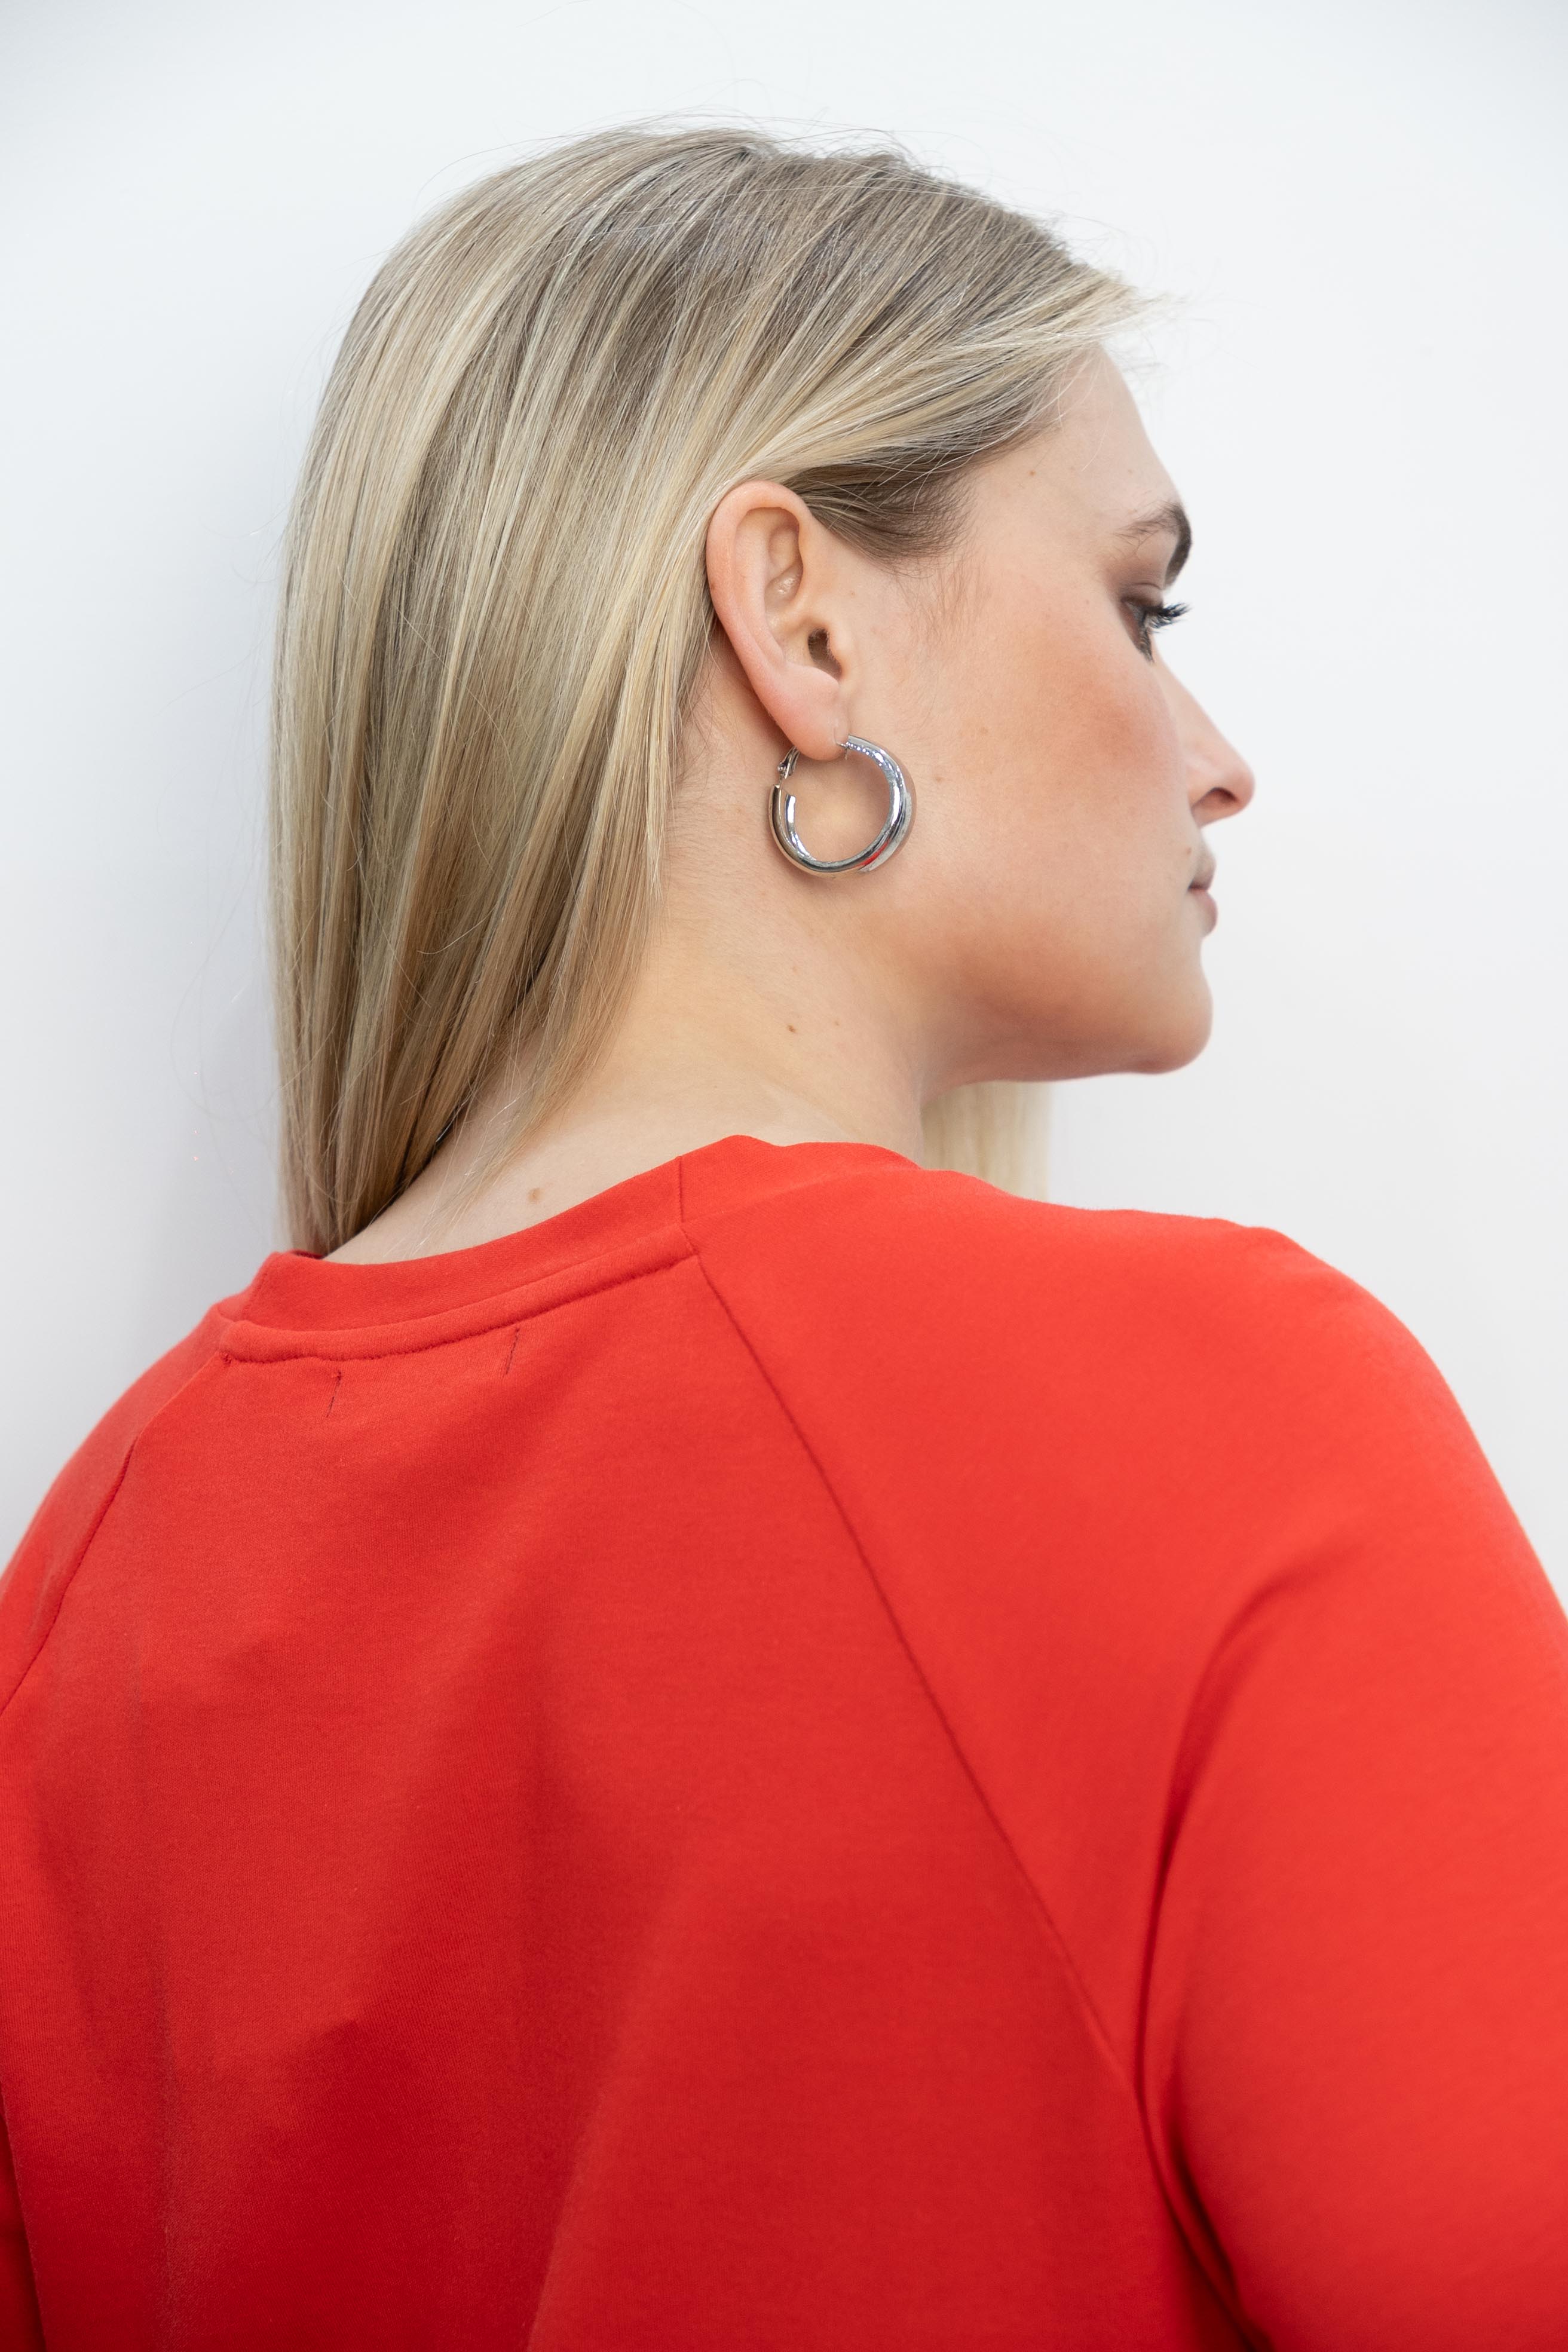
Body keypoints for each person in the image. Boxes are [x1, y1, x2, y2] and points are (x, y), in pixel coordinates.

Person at [1, 125, 1564, 2352]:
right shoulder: (1217, 1415)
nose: (1218, 760)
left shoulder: (94, 1577)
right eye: (1142, 605)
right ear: (803, 621)